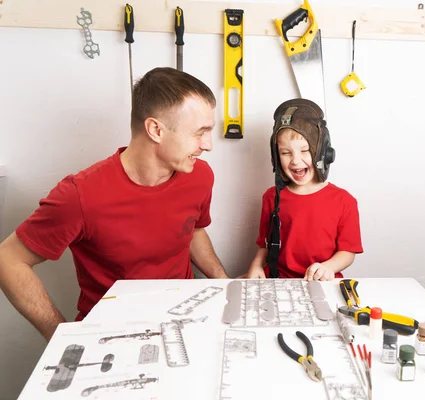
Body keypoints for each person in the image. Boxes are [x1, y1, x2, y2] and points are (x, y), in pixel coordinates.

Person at [0, 67, 229, 341]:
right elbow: (8, 260)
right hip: (111, 336)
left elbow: (192, 231)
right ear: (155, 129)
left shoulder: (199, 176)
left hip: (182, 325)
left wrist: (224, 283)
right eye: (200, 132)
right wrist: (62, 338)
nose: (208, 145)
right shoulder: (79, 195)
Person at [242, 98, 363, 281]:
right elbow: (265, 245)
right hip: (278, 280)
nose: (295, 160)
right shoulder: (272, 197)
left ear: (323, 152)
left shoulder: (344, 201)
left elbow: (348, 252)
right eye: (285, 153)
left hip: (322, 281)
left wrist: (328, 267)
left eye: (305, 150)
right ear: (276, 157)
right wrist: (257, 265)